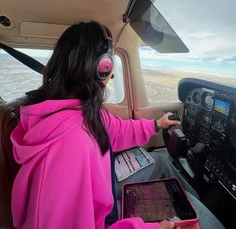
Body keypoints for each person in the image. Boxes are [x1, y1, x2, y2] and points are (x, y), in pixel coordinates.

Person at [10, 21, 223, 229]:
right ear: (101, 67)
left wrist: (156, 124)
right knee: (194, 212)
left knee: (162, 161)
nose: (111, 73)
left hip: (102, 196)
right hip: (103, 218)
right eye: (109, 63)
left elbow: (116, 130)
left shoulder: (84, 110)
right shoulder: (70, 144)